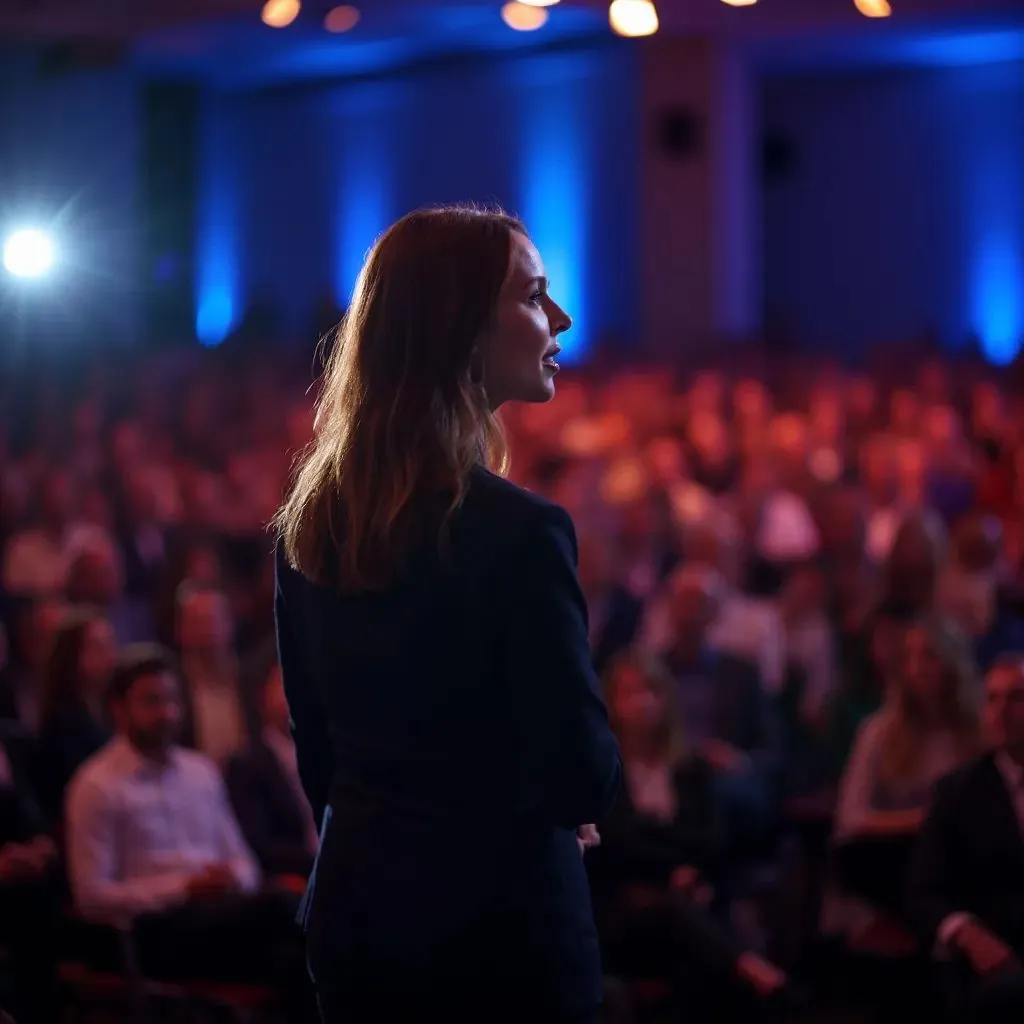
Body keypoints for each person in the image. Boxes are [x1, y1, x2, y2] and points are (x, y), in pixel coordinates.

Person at [273, 206, 622, 1024]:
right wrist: (557, 806)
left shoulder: (312, 522)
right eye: (534, 295)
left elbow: (322, 760)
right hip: (501, 940)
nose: (561, 319)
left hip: (361, 918)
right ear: (459, 323)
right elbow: (581, 773)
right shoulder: (522, 533)